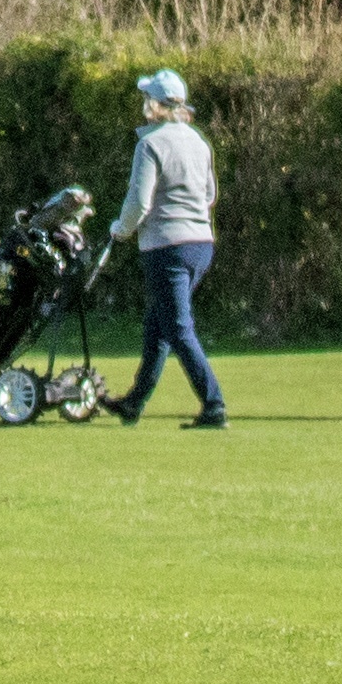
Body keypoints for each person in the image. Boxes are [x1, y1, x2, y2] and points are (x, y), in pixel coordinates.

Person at [100, 68, 224, 428]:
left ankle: (214, 405)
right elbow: (210, 195)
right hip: (201, 244)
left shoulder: (150, 144)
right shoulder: (198, 141)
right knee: (159, 325)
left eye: (146, 99)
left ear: (155, 105)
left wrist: (119, 230)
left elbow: (139, 203)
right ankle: (134, 403)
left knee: (178, 328)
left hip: (167, 247)